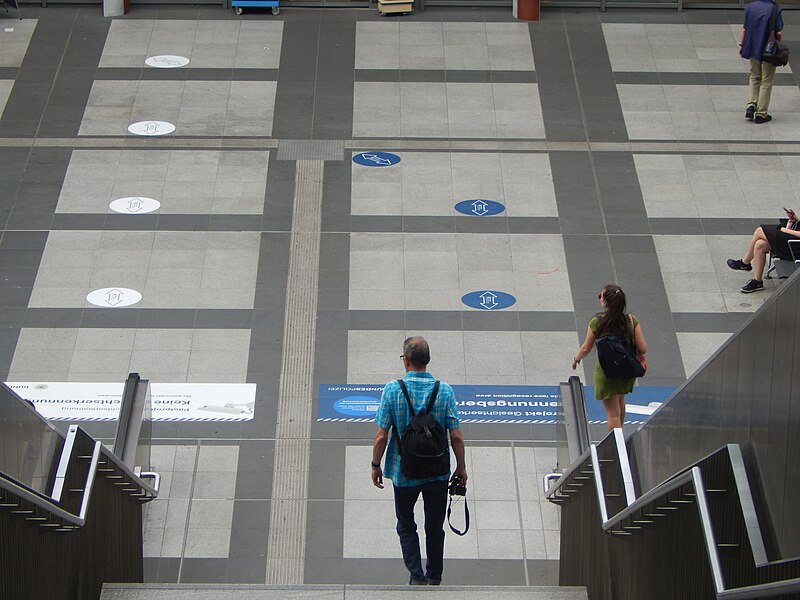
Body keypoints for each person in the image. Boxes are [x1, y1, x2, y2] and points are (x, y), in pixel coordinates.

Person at [371, 336, 467, 586]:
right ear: (428, 360)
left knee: (406, 525)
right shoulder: (444, 390)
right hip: (437, 472)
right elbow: (455, 434)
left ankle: (417, 576)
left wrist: (375, 465)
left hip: (404, 474)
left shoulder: (393, 389)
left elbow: (381, 435)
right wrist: (461, 467)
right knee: (434, 527)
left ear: (406, 361)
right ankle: (434, 576)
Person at [571, 285, 648, 431]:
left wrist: (576, 359)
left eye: (601, 295)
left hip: (607, 372)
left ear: (605, 302)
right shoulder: (631, 321)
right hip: (626, 369)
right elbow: (643, 348)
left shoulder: (597, 322)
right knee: (620, 400)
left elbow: (586, 348)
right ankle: (620, 437)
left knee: (612, 414)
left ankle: (615, 447)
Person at [727, 208, 800, 293]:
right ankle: (757, 282)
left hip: (794, 246)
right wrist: (794, 219)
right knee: (760, 245)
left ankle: (745, 262)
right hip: (791, 240)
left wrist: (785, 230)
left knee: (760, 231)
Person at [740, 0, 784, 124]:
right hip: (768, 50)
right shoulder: (774, 9)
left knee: (754, 76)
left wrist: (742, 45)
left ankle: (751, 105)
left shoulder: (750, 8)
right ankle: (761, 113)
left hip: (753, 47)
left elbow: (745, 28)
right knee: (766, 81)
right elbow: (779, 32)